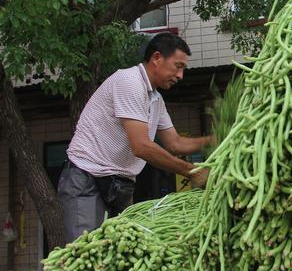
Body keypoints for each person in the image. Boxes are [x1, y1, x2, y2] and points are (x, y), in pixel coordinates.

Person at [58, 32, 212, 243]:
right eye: (178, 66)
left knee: (120, 254)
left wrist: (216, 140)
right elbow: (141, 147)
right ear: (157, 58)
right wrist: (190, 171)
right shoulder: (129, 81)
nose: (180, 76)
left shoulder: (155, 99)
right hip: (87, 179)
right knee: (86, 251)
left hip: (120, 184)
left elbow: (175, 143)